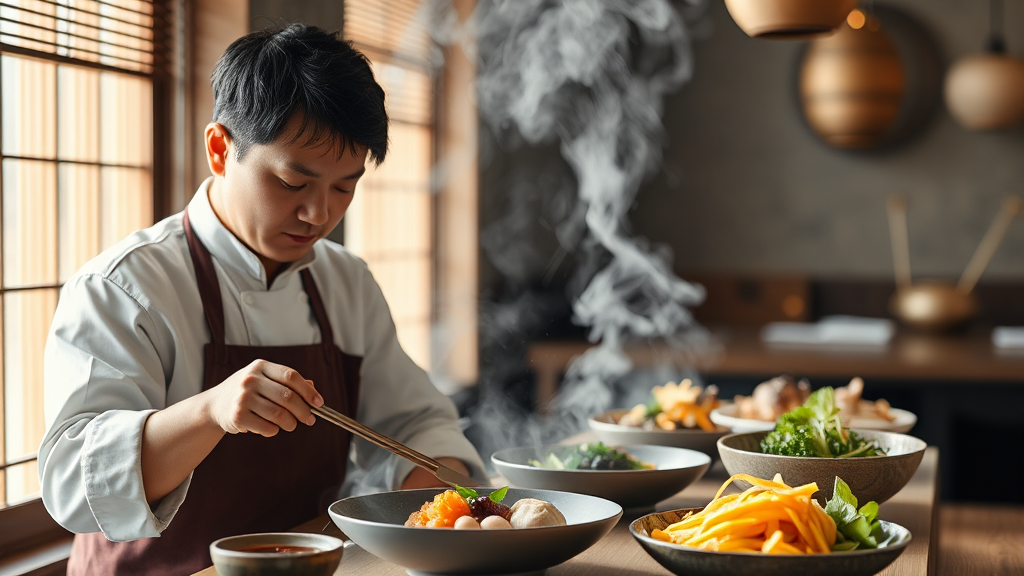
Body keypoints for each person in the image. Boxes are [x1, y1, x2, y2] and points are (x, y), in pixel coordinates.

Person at [37, 23, 486, 576]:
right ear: (220, 149)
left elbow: (414, 424)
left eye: (344, 187)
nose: (319, 214)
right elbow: (72, 485)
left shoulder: (346, 282)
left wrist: (441, 514)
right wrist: (210, 411)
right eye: (294, 183)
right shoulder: (124, 287)